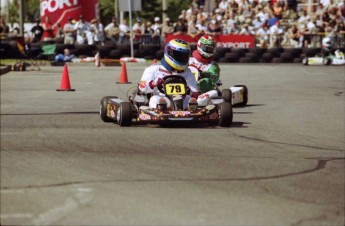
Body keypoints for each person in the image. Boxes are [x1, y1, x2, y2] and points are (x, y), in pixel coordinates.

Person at [137, 39, 198, 110]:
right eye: (178, 55)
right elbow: (142, 87)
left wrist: (188, 90)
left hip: (182, 99)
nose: (181, 58)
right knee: (154, 99)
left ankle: (190, 108)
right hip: (161, 97)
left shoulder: (188, 72)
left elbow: (195, 93)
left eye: (184, 56)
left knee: (189, 99)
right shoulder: (154, 69)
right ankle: (162, 108)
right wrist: (154, 83)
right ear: (169, 52)